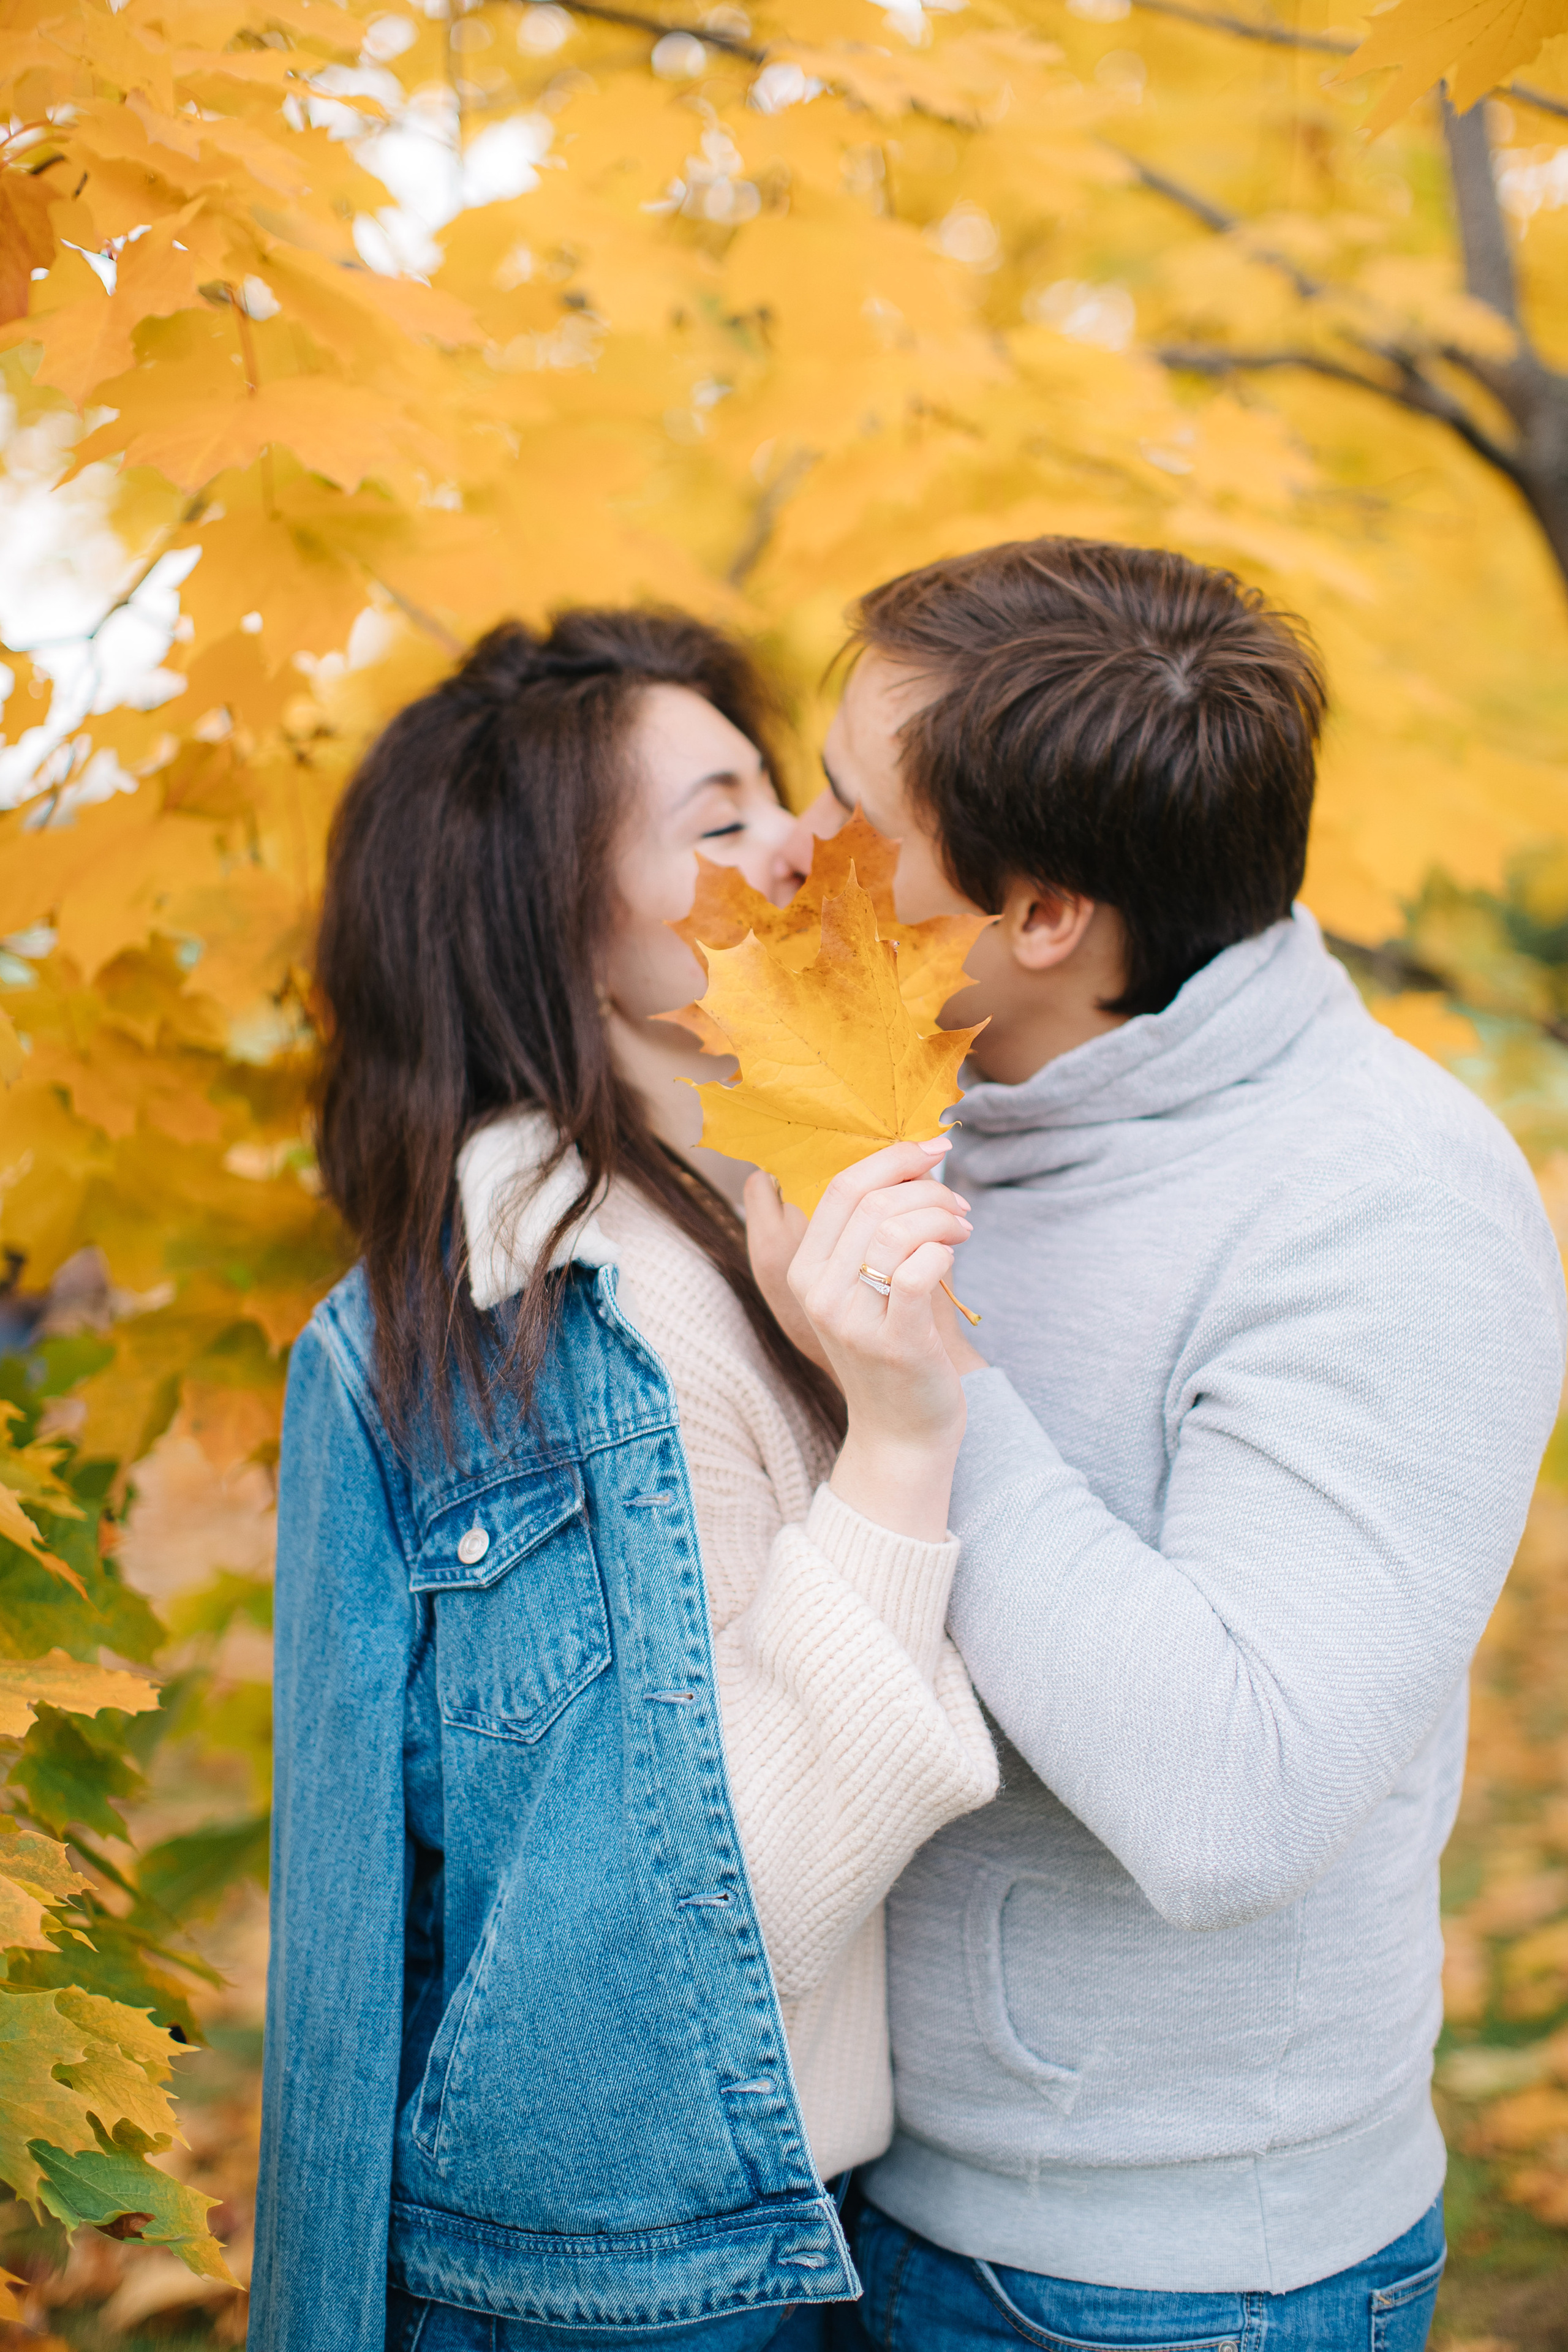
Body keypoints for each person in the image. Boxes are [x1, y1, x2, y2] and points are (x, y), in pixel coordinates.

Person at [748, 538, 1567, 2351]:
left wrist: (928, 1386)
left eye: (850, 812)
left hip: (1161, 2281)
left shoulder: (1386, 1208)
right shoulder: (926, 1088)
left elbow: (1238, 1797)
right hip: (839, 2175)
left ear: (1043, 916)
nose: (794, 853)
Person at [249, 609, 998, 2352]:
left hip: (767, 2232)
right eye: (721, 821)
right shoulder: (577, 1310)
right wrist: (898, 1443)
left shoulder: (748, 1215)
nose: (810, 846)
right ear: (558, 943)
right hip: (638, 2284)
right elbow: (713, 1905)